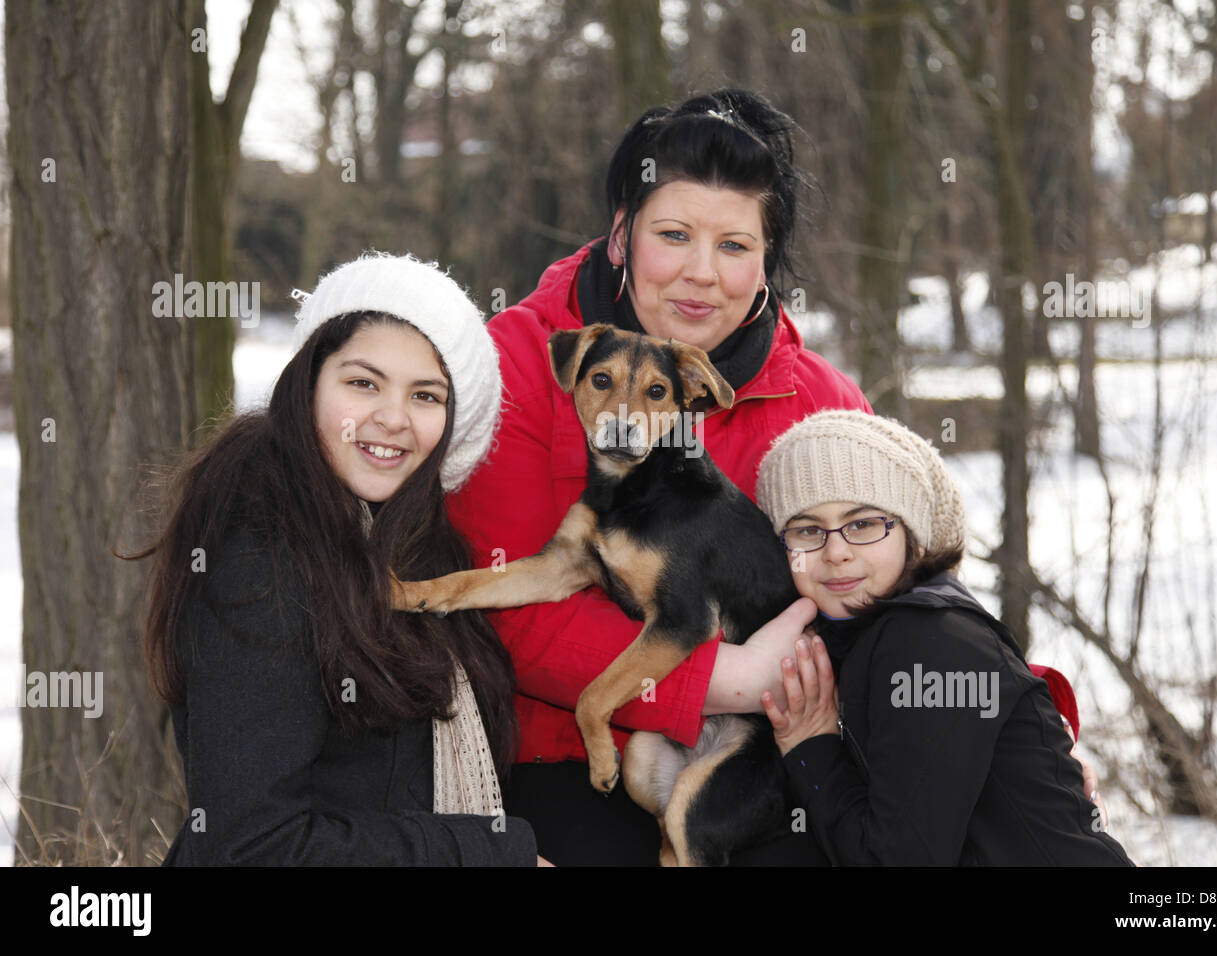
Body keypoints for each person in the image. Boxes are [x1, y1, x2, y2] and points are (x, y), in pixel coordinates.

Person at [444, 89, 870, 865]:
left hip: (770, 757)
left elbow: (895, 588)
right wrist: (719, 679)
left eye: (736, 246)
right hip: (563, 755)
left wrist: (1025, 728)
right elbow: (506, 606)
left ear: (767, 260)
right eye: (673, 235)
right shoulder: (516, 360)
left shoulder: (821, 401)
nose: (701, 275)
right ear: (621, 235)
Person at [139, 253, 542, 865]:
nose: (391, 418)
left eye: (425, 395)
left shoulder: (417, 552)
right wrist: (487, 857)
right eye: (362, 382)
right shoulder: (261, 554)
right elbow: (251, 846)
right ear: (308, 383)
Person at [755, 409, 1133, 865]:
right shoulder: (868, 638)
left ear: (912, 535)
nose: (836, 552)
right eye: (807, 530)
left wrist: (810, 747)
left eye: (863, 524)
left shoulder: (927, 642)